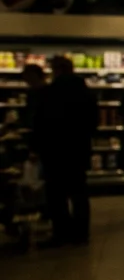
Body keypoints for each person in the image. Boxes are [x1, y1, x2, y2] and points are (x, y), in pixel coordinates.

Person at [32, 56, 97, 246]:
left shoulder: (49, 92)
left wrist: (37, 146)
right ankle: (81, 232)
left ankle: (62, 232)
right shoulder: (85, 92)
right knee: (79, 192)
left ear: (56, 70)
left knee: (56, 194)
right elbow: (93, 121)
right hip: (78, 149)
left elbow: (41, 122)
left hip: (54, 150)